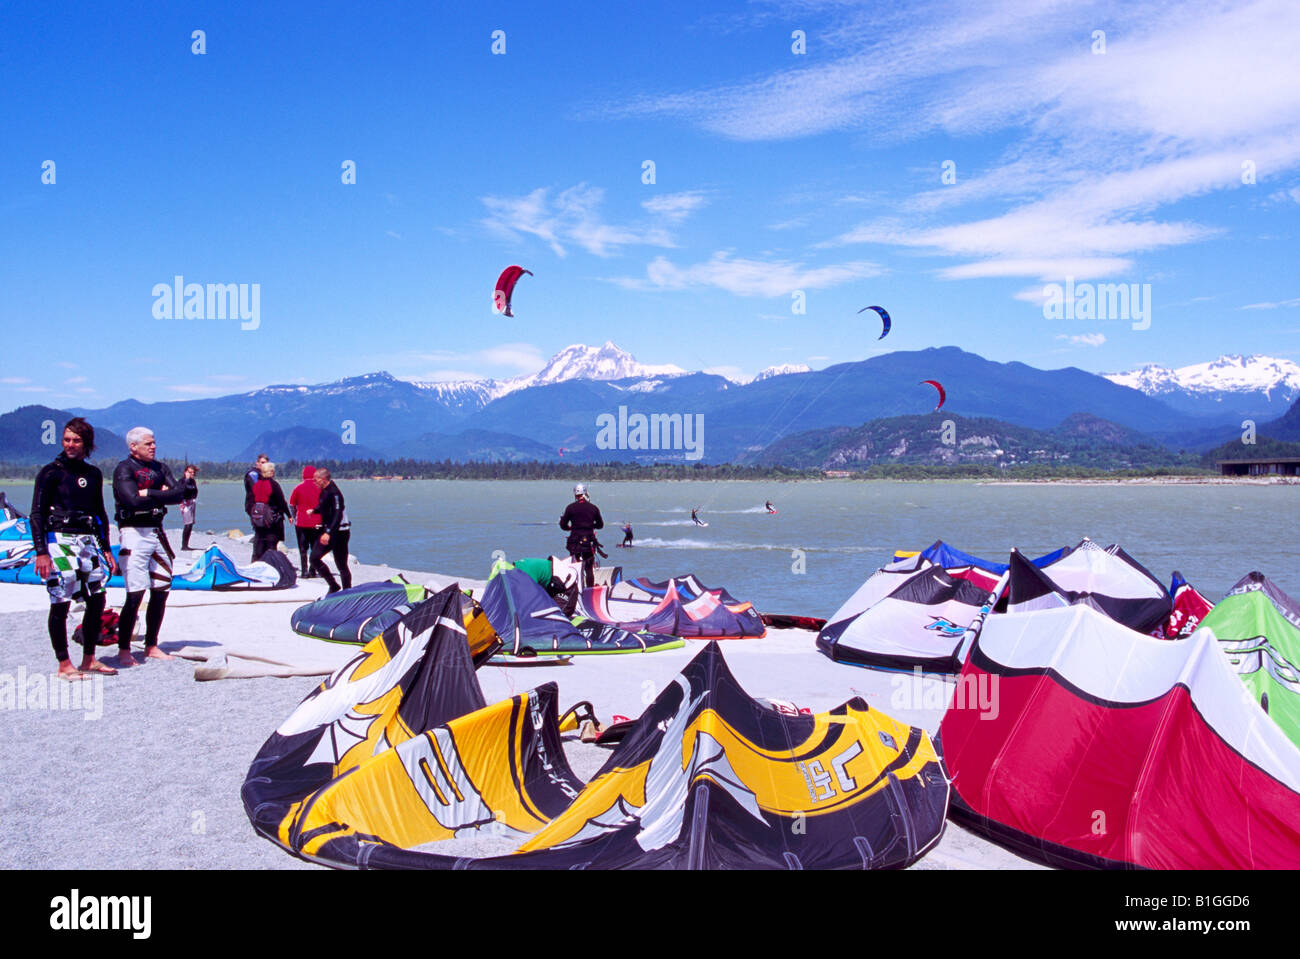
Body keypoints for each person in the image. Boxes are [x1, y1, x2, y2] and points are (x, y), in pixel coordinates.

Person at [30, 418, 120, 680]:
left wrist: (105, 548)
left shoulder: (93, 474)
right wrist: (41, 552)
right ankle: (63, 663)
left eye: (76, 440)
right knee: (61, 601)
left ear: (87, 444)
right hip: (60, 541)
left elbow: (100, 513)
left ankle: (89, 659)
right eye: (67, 439)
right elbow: (36, 514)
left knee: (97, 599)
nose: (70, 444)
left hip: (87, 542)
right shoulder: (51, 472)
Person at [111, 427, 194, 666]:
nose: (153, 447)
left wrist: (149, 491)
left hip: (157, 532)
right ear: (133, 446)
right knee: (135, 593)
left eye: (154, 442)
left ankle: (151, 645)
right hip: (133, 533)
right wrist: (161, 494)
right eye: (148, 443)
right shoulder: (124, 469)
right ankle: (124, 649)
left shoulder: (160, 468)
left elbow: (181, 494)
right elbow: (131, 500)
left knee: (161, 590)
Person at [308, 467, 352, 593]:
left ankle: (347, 592)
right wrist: (314, 510)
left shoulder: (335, 493)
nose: (314, 483)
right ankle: (333, 585)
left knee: (341, 565)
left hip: (339, 533)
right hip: (329, 530)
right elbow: (324, 505)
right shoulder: (324, 491)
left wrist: (328, 532)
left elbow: (337, 514)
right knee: (314, 558)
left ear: (323, 480)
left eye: (315, 480)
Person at [559, 483, 603, 588]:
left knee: (575, 568)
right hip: (588, 542)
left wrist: (571, 528)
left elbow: (563, 525)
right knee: (589, 569)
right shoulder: (593, 508)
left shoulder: (570, 508)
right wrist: (590, 525)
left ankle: (576, 590)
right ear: (585, 493)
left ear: (575, 494)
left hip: (574, 543)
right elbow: (600, 525)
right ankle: (590, 590)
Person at [249, 461, 290, 563]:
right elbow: (281, 501)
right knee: (271, 545)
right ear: (271, 472)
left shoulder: (256, 485)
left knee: (259, 544)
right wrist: (289, 514)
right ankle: (272, 566)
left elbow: (251, 501)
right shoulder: (274, 485)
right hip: (272, 521)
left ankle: (256, 564)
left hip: (258, 521)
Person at [290, 465, 322, 577]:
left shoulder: (298, 488)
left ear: (303, 475)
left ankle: (304, 571)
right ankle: (312, 570)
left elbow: (292, 504)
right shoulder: (320, 488)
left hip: (301, 522)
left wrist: (295, 517)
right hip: (317, 522)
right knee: (315, 547)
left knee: (303, 548)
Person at [180, 465, 199, 549]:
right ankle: (184, 545)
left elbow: (195, 491)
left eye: (193, 472)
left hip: (192, 502)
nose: (192, 474)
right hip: (185, 503)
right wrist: (186, 480)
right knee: (187, 523)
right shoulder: (182, 481)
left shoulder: (192, 481)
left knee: (191, 523)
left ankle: (186, 544)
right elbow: (181, 490)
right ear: (185, 472)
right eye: (190, 472)